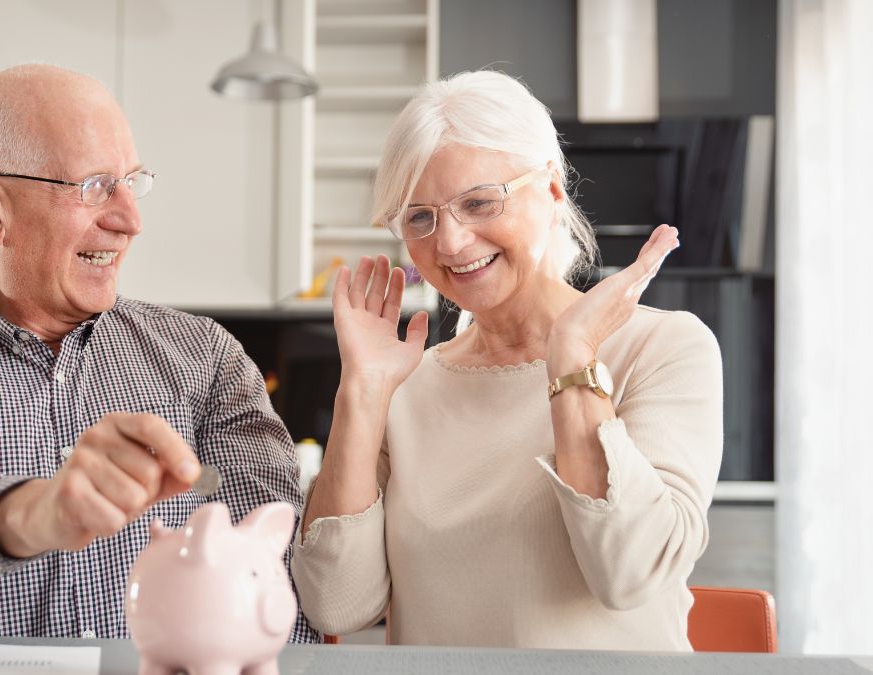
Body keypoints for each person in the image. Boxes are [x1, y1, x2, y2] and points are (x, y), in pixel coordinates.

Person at [0, 64, 317, 642]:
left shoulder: (203, 358)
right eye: (94, 186)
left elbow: (272, 562)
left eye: (132, 181)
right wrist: (40, 511)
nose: (130, 220)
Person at [291, 70, 722, 650]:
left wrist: (572, 358)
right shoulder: (406, 385)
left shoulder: (664, 349)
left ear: (551, 189)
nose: (449, 243)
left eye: (478, 202)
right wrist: (362, 392)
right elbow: (336, 603)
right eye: (420, 217)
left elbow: (632, 572)